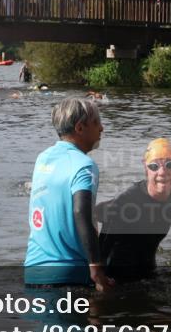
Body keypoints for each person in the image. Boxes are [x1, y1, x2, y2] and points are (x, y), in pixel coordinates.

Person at [24, 98, 113, 290]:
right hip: (68, 276)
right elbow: (81, 211)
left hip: (33, 272)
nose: (102, 128)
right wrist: (96, 268)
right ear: (80, 128)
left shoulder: (43, 158)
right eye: (97, 122)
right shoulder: (84, 165)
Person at [95, 139, 171, 282]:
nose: (162, 172)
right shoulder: (127, 201)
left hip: (150, 274)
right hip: (116, 278)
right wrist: (100, 281)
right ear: (146, 168)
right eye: (154, 166)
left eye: (170, 165)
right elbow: (102, 250)